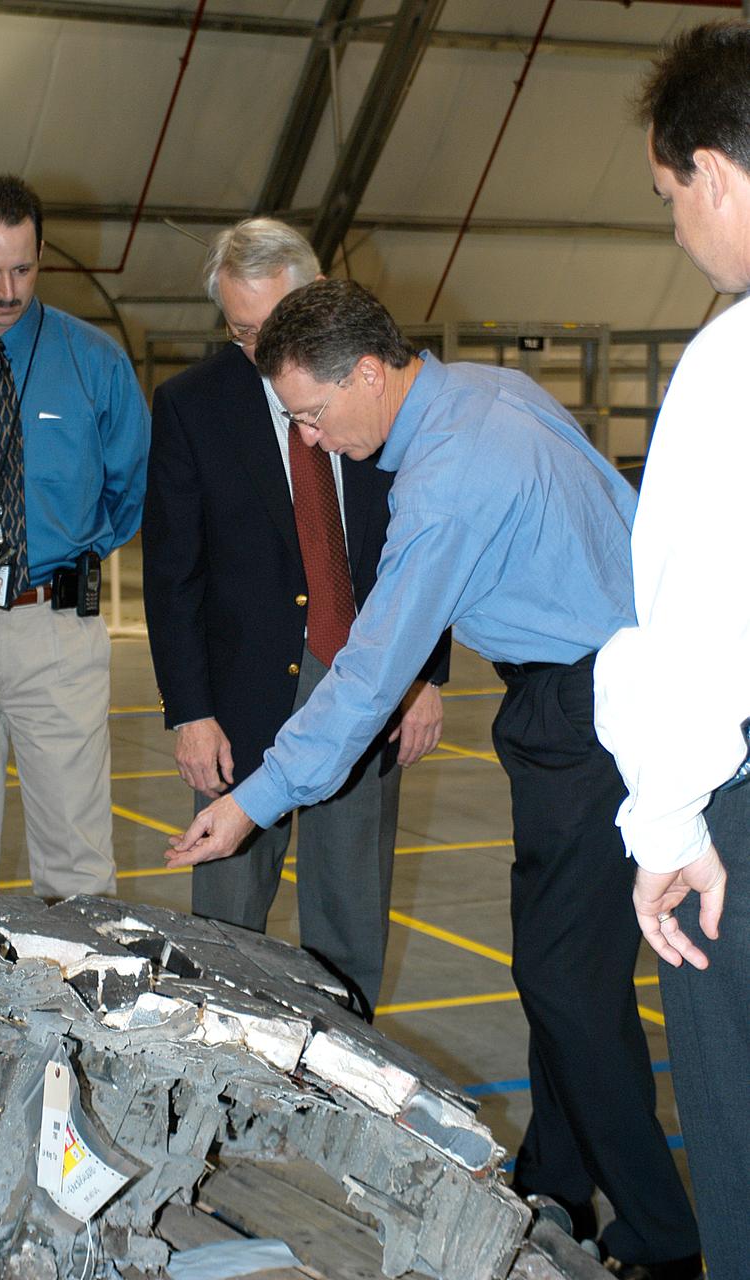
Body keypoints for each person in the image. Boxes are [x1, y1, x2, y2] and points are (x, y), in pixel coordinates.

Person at [166, 280, 703, 1279]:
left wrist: (253, 798)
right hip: (615, 682)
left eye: (315, 415)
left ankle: (659, 1239)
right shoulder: (492, 393)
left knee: (566, 980)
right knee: (564, 966)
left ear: (368, 371)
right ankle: (556, 1177)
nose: (314, 441)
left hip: (590, 711)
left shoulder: (448, 474)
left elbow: (370, 669)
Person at [142, 218, 449, 1017]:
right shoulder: (190, 407)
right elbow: (173, 574)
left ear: (315, 300)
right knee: (226, 915)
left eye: (272, 326)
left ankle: (342, 1076)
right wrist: (191, 712)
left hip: (363, 679)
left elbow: (421, 542)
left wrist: (422, 676)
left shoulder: (376, 389)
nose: (256, 348)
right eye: (241, 330)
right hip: (239, 703)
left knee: (349, 912)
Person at [594, 21, 750, 1279]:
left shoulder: (729, 364)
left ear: (713, 173)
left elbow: (694, 623)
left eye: (666, 200)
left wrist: (664, 825)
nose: (677, 232)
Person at [0, 174, 150, 906]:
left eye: (21, 268)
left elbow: (129, 492)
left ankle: (79, 1013)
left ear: (42, 256)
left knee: (75, 854)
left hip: (56, 631)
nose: (3, 288)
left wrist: (63, 562)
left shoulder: (93, 362)